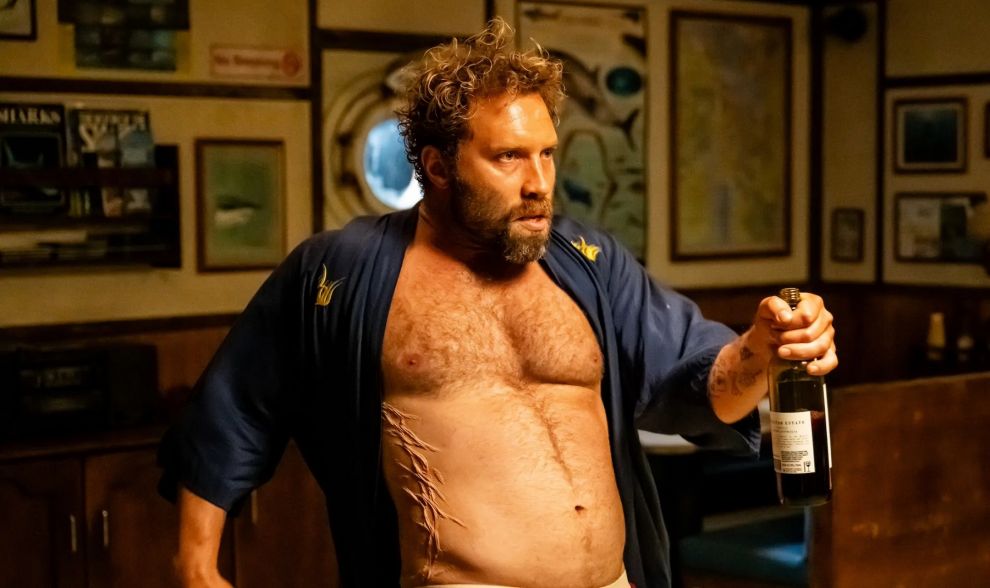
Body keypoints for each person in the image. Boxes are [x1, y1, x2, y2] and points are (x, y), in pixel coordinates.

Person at [159, 18, 837, 588]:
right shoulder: (342, 270)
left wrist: (762, 350)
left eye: (547, 154)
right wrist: (196, 564)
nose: (540, 182)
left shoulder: (588, 263)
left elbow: (699, 386)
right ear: (438, 166)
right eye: (509, 157)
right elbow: (235, 406)